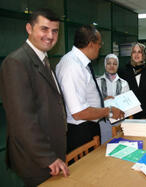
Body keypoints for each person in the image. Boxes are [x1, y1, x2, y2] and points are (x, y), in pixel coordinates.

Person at [0, 9, 69, 186]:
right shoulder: (16, 62)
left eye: (55, 31)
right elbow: (22, 120)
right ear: (29, 28)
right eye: (44, 29)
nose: (50, 36)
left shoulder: (44, 59)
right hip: (37, 159)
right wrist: (49, 158)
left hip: (51, 151)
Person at [56, 25, 124, 153]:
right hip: (80, 130)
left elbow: (81, 95)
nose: (100, 47)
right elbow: (78, 112)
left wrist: (101, 101)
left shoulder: (81, 62)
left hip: (89, 125)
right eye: (99, 43)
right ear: (91, 44)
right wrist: (108, 111)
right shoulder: (72, 66)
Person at [118, 43, 146, 119]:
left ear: (144, 54)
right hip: (129, 114)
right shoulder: (123, 70)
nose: (136, 54)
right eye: (134, 52)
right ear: (131, 54)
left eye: (139, 52)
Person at [97, 54, 129, 144]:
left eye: (114, 64)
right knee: (104, 146)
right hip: (103, 121)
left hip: (120, 121)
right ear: (105, 65)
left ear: (117, 66)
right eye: (109, 63)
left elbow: (128, 104)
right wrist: (103, 101)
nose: (111, 66)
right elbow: (93, 104)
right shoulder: (97, 82)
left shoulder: (124, 83)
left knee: (120, 145)